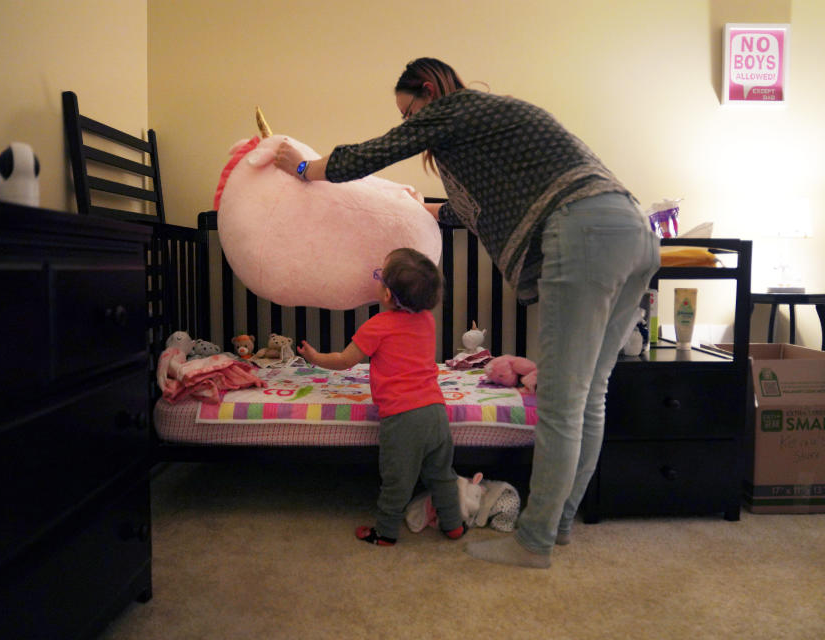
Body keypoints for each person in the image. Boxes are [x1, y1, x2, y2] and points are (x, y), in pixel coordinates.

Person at [276, 57, 660, 568]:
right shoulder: (484, 128)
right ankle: (559, 525)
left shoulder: (456, 108)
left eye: (410, 113)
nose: (411, 126)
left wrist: (303, 167)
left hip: (585, 232)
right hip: (633, 232)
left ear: (430, 91)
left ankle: (535, 541)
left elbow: (369, 155)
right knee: (590, 397)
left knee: (564, 405)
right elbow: (478, 209)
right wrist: (426, 208)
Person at [297, 247, 465, 546]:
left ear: (387, 295)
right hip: (436, 412)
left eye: (379, 276)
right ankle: (453, 526)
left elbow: (344, 360)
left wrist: (314, 357)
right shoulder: (427, 320)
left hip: (403, 419)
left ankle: (386, 532)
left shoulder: (377, 326)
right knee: (442, 474)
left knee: (397, 481)